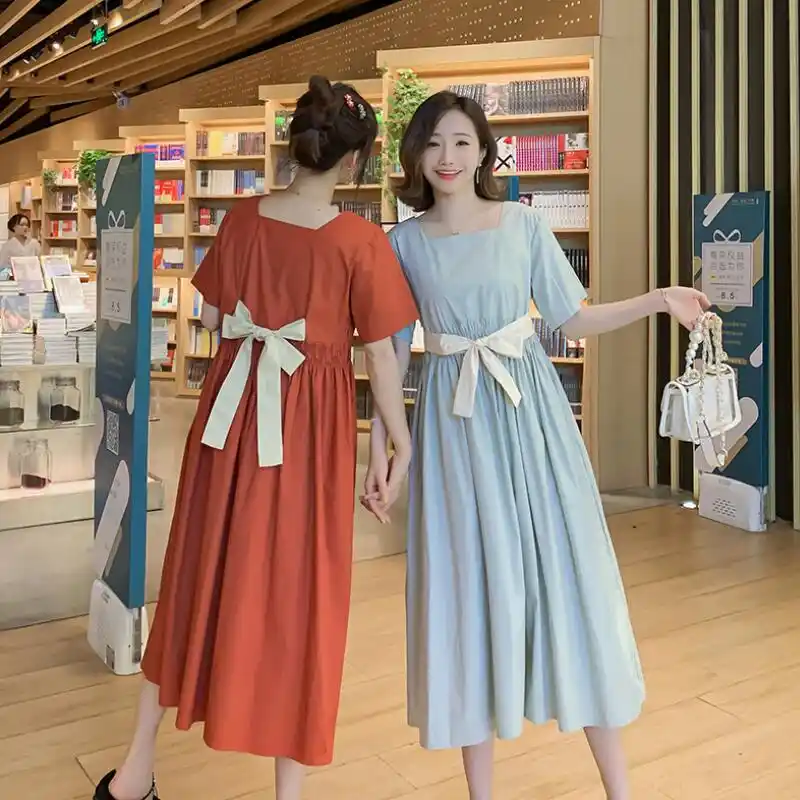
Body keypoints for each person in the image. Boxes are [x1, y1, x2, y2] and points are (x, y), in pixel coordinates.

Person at [363, 91, 710, 800]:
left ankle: (620, 790)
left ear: (484, 153)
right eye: (433, 143)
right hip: (453, 431)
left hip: (533, 422)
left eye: (461, 142)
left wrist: (657, 299)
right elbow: (388, 356)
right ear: (415, 156)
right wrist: (384, 453)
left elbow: (571, 320)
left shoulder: (523, 224)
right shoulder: (401, 245)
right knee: (465, 593)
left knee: (569, 580)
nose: (448, 157)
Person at [94, 76, 418, 800]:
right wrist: (398, 443)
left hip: (228, 421)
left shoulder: (241, 220)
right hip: (306, 438)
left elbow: (213, 322)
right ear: (354, 161)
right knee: (300, 596)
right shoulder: (360, 241)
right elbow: (380, 354)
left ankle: (134, 771)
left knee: (197, 574)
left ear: (295, 145)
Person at [0, 213, 40, 280]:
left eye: (27, 225)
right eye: (22, 225)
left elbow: (40, 263)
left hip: (33, 279)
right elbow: (2, 268)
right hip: (15, 280)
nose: (25, 227)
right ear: (14, 227)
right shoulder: (7, 246)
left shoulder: (34, 243)